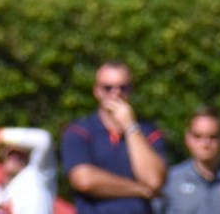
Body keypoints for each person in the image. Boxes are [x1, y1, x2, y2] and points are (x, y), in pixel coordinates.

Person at [62, 60, 169, 214]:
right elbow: (84, 180)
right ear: (97, 91)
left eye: (123, 88)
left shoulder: (148, 132)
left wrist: (130, 127)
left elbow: (153, 180)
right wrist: (139, 190)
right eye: (108, 88)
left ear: (131, 90)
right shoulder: (80, 131)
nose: (116, 93)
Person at [154, 106, 220, 214]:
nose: (205, 143)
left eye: (212, 137)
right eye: (198, 136)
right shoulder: (170, 180)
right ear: (188, 138)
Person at [0, 126, 56, 214]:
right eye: (11, 153)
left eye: (20, 154)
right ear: (2, 154)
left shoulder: (38, 175)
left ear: (27, 157)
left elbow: (44, 140)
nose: (15, 157)